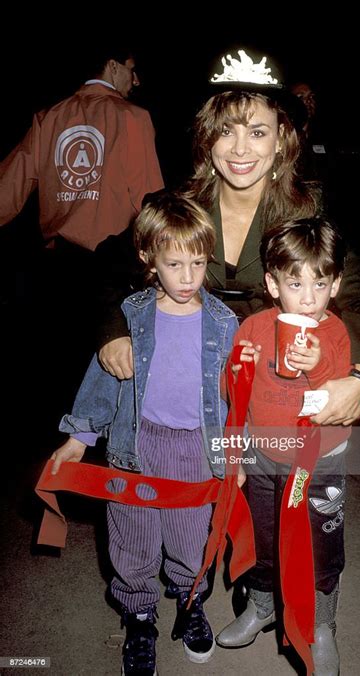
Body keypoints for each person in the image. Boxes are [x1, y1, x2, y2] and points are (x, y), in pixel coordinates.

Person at [96, 48, 360, 427]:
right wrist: (114, 335)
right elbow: (109, 268)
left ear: (281, 139)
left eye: (258, 132)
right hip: (183, 390)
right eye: (225, 130)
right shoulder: (177, 209)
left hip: (277, 391)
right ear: (207, 137)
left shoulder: (312, 212)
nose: (240, 148)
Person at [49, 191, 239, 675]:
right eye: (174, 264)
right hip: (137, 445)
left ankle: (189, 600)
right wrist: (77, 439)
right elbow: (102, 382)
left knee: (190, 539)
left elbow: (234, 399)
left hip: (196, 451)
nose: (188, 277)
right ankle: (139, 614)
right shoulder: (131, 316)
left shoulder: (222, 323)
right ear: (147, 255)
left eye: (198, 263)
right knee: (132, 536)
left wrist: (236, 457)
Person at [0, 43, 164, 432]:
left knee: (56, 381)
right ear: (112, 66)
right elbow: (152, 204)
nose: (135, 80)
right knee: (107, 383)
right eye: (131, 69)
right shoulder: (133, 118)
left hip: (56, 271)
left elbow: (6, 193)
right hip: (110, 277)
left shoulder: (49, 117)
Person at [216, 218, 354, 675]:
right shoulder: (254, 327)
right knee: (263, 537)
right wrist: (238, 369)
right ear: (273, 285)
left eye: (320, 283)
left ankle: (321, 625)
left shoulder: (334, 335)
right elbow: (230, 394)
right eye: (296, 283)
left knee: (319, 547)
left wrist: (318, 367)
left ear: (335, 284)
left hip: (318, 464)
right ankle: (262, 605)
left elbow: (334, 404)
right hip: (262, 457)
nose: (309, 297)